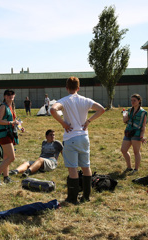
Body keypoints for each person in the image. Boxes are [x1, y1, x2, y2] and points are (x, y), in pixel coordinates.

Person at [50, 76, 105, 204]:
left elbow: (53, 109)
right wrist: (89, 121)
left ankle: (72, 198)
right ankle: (86, 196)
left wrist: (63, 123)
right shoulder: (85, 100)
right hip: (84, 137)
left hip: (71, 138)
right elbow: (101, 109)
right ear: (78, 88)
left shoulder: (64, 100)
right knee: (86, 166)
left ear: (67, 88)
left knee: (73, 168)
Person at [0, 89, 22, 186]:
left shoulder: (11, 106)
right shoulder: (3, 107)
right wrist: (11, 122)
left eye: (12, 94)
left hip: (9, 134)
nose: (10, 95)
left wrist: (20, 127)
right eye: (8, 94)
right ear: (4, 96)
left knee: (6, 157)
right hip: (4, 134)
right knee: (11, 157)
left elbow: (14, 120)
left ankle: (6, 177)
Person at [121, 94, 148, 175]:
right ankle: (129, 167)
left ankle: (136, 169)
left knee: (136, 151)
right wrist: (124, 114)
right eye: (131, 100)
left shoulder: (143, 112)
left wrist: (142, 135)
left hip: (137, 133)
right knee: (123, 150)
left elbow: (144, 125)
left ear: (139, 101)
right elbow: (124, 121)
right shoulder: (129, 110)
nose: (132, 102)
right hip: (128, 131)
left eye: (134, 100)